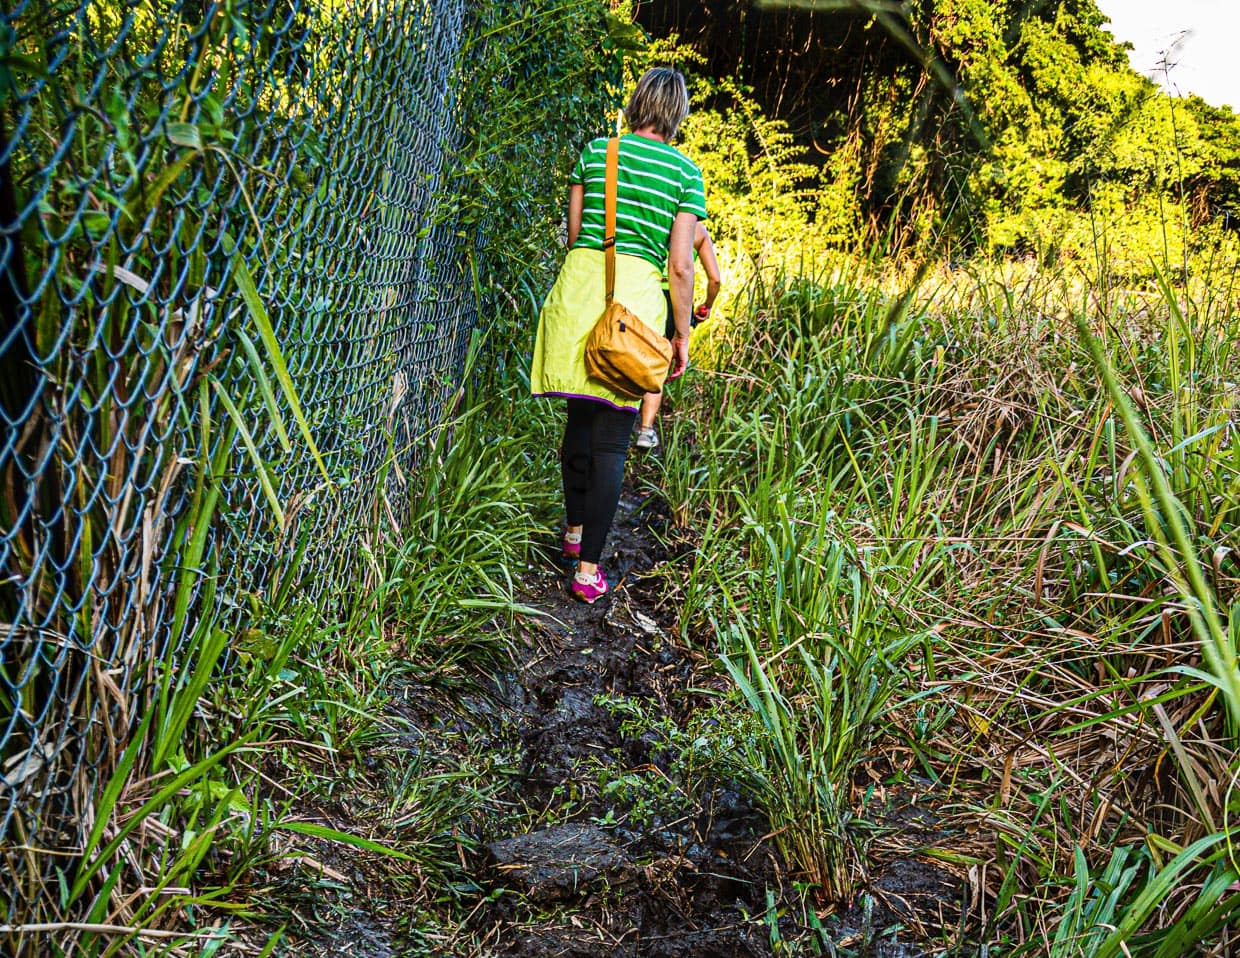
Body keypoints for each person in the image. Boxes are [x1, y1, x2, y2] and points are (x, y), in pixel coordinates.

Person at [530, 67, 706, 604]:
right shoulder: (685, 174)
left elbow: (574, 232)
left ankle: (574, 531)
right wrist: (681, 334)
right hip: (634, 310)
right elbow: (680, 266)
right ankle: (587, 574)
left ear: (635, 104)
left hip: (581, 293)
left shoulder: (595, 152)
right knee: (612, 442)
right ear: (676, 115)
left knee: (579, 418)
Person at [634, 221, 721, 450]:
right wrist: (707, 305)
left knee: (631, 351)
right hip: (676, 299)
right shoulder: (697, 231)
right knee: (659, 365)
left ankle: (619, 413)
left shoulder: (655, 217)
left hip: (645, 291)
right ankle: (645, 430)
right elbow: (716, 280)